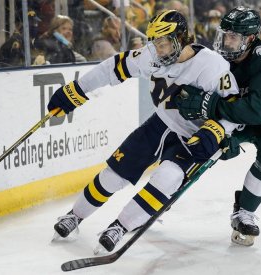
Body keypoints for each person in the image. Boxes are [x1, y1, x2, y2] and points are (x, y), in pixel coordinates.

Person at [48, 10, 242, 253]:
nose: (158, 50)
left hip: (192, 136)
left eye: (164, 43)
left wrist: (218, 130)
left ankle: (121, 225)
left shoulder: (212, 66)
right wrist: (77, 90)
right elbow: (112, 67)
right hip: (159, 124)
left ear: (182, 38)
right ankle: (74, 216)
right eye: (155, 43)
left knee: (167, 178)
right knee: (113, 174)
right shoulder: (151, 55)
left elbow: (236, 107)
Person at [175, 6, 261, 246]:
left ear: (250, 38)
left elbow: (256, 112)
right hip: (236, 111)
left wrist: (215, 113)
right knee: (203, 144)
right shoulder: (216, 58)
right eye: (224, 35)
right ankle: (163, 193)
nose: (226, 41)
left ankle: (245, 212)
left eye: (233, 37)